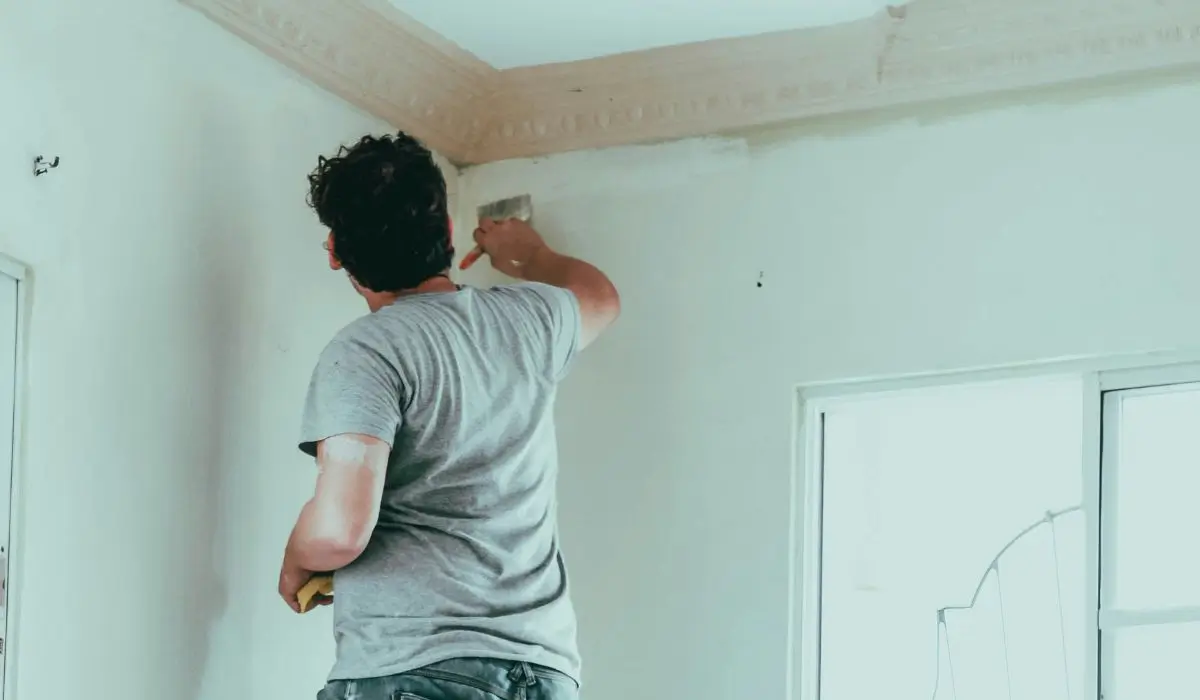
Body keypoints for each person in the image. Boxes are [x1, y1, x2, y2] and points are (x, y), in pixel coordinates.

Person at [277, 132, 620, 700]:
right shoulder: (528, 321)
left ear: (335, 250)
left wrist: (297, 556)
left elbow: (339, 532)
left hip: (416, 666)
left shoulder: (366, 351)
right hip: (542, 672)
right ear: (447, 232)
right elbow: (600, 297)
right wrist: (529, 253)